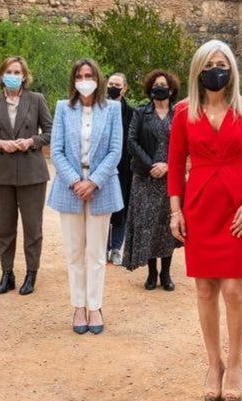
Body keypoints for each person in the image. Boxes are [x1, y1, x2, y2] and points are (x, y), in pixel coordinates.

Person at [169, 40, 242, 401]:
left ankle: (237, 365)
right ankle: (214, 365)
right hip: (199, 206)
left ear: (232, 71)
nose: (215, 69)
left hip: (239, 205)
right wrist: (175, 211)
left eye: (221, 63)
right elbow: (176, 164)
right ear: (198, 70)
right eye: (209, 63)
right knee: (205, 290)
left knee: (233, 291)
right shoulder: (183, 112)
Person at [48, 59, 124, 335]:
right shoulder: (63, 108)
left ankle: (95, 306)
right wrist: (75, 181)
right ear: (73, 80)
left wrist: (93, 181)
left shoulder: (112, 109)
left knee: (96, 252)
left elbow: (116, 150)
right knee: (74, 252)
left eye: (89, 75)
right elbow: (55, 150)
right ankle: (78, 305)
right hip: (70, 186)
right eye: (79, 75)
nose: (84, 79)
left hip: (100, 186)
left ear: (97, 78)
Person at [0, 56, 52, 296]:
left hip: (32, 172)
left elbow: (51, 132)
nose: (13, 75)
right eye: (9, 71)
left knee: (33, 227)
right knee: (5, 228)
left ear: (24, 76)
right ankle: (7, 273)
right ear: (2, 75)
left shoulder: (36, 100)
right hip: (2, 174)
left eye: (17, 71)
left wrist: (31, 141)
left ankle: (31, 273)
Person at [123, 70, 180, 289]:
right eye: (156, 84)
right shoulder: (141, 112)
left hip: (169, 177)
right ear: (150, 88)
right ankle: (151, 273)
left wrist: (167, 166)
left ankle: (166, 274)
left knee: (166, 226)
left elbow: (185, 146)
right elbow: (131, 141)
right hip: (145, 177)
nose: (159, 87)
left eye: (163, 84)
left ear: (171, 89)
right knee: (147, 225)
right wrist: (151, 166)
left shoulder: (178, 115)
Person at [106, 72, 133, 266]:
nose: (114, 87)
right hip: (102, 167)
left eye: (117, 84)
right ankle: (101, 248)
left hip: (125, 168)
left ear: (124, 88)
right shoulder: (98, 108)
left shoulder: (132, 113)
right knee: (102, 210)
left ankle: (116, 248)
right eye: (111, 83)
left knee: (120, 209)